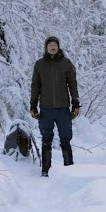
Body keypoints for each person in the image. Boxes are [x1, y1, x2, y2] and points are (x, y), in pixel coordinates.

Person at [30, 36, 81, 177]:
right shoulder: (39, 64)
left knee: (65, 138)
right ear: (46, 47)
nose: (52, 47)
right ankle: (45, 170)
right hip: (46, 109)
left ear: (58, 47)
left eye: (55, 44)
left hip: (63, 109)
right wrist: (33, 105)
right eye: (50, 44)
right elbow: (35, 86)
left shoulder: (66, 63)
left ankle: (69, 170)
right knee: (46, 139)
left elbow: (72, 83)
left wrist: (75, 102)